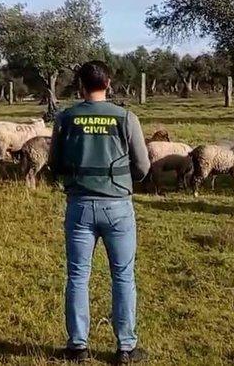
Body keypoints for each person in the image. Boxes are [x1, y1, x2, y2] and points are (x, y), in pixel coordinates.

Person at [48, 60, 151, 364]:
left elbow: (54, 163)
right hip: (118, 207)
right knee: (123, 276)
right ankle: (126, 347)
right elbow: (143, 166)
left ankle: (77, 346)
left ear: (80, 85)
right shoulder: (125, 117)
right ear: (108, 83)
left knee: (78, 276)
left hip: (79, 206)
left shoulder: (66, 118)